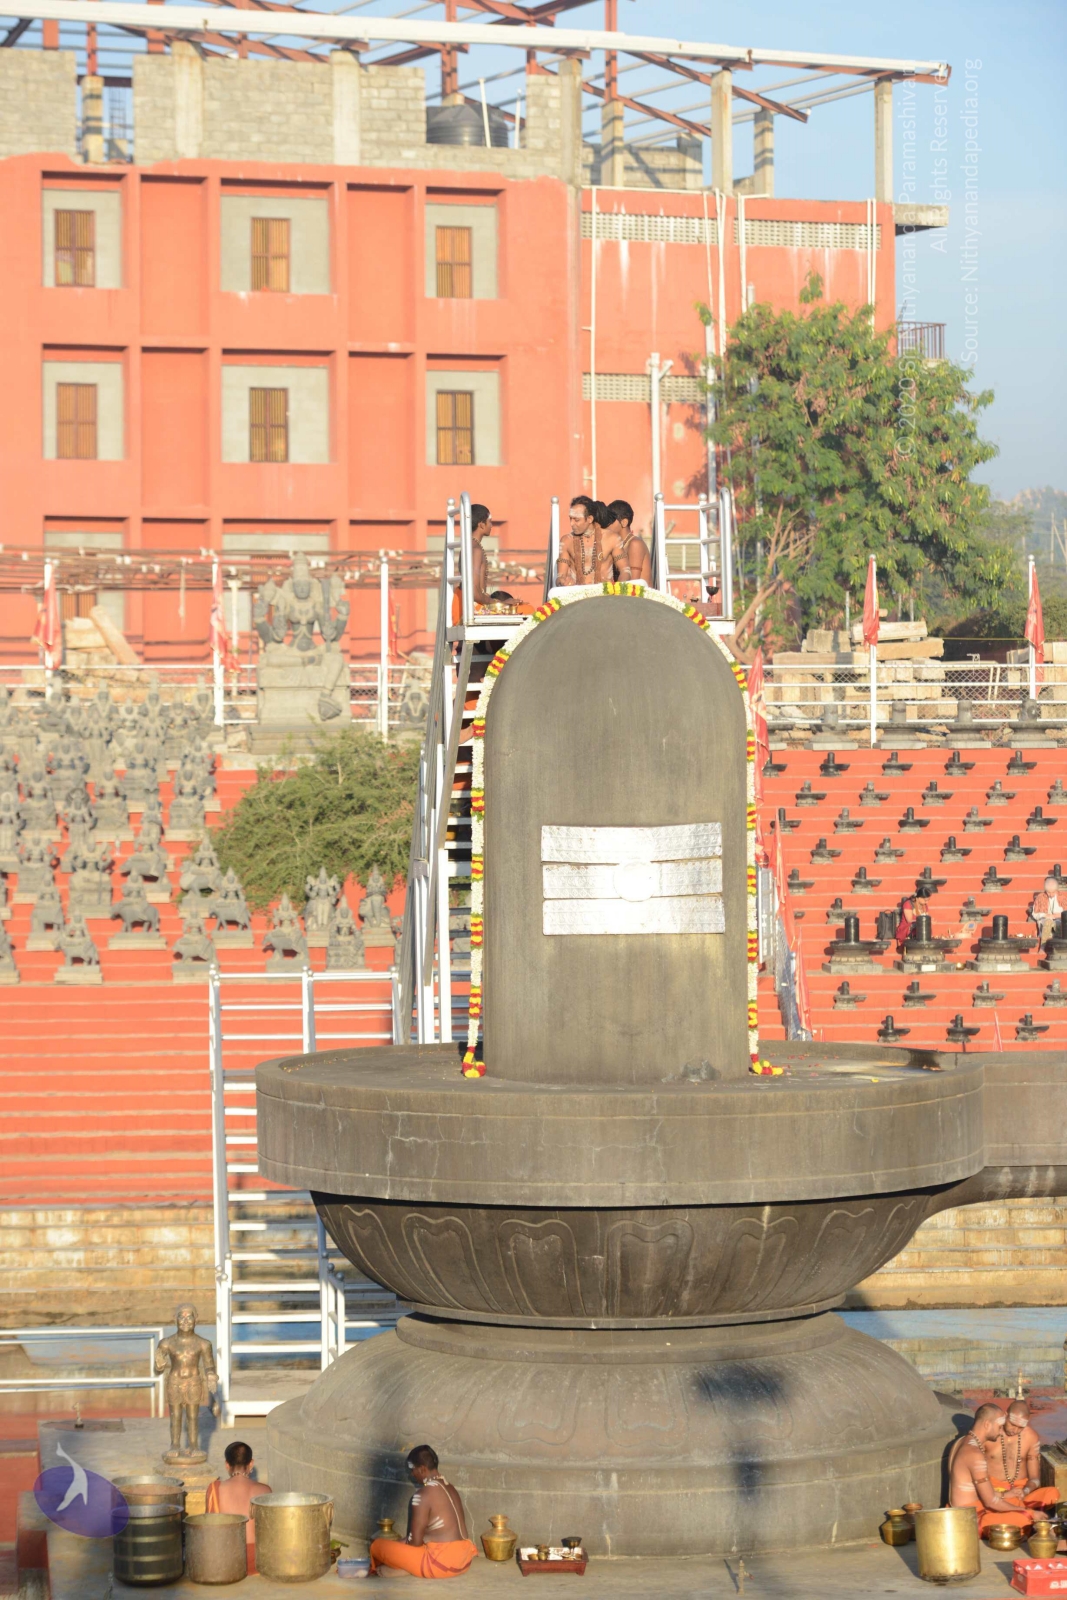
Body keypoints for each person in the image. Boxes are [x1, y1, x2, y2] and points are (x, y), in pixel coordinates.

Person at [369, 1445, 477, 1579]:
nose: (412, 1474)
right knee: (409, 1545)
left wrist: (394, 1546)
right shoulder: (451, 1488)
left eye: (412, 1469)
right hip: (464, 1560)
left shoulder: (422, 1495)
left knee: (377, 1546)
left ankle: (408, 1568)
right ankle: (410, 1568)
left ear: (422, 1469)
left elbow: (414, 1543)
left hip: (442, 1564)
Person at [947, 1403, 1051, 1534]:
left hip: (975, 1508)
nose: (1001, 1431)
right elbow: (990, 1502)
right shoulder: (974, 1454)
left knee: (1024, 1505)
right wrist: (1029, 1512)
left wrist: (1007, 1495)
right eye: (999, 1426)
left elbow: (983, 1494)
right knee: (1024, 1520)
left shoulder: (962, 1442)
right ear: (987, 1424)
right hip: (969, 1518)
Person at [982, 1400, 1059, 1524]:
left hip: (1021, 1494)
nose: (1015, 1430)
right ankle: (1024, 1516)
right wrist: (1002, 1494)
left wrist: (1025, 1491)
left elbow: (1035, 1479)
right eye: (1012, 1424)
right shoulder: (991, 1434)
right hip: (995, 1494)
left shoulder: (1031, 1437)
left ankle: (1019, 1514)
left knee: (1052, 1493)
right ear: (1006, 1415)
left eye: (1020, 1427)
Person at [205, 1441, 272, 1574]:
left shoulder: (214, 1488)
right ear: (251, 1464)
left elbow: (208, 1530)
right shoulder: (265, 1490)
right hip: (259, 1561)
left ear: (227, 1465)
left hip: (227, 1561)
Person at [557, 497, 630, 587]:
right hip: (576, 593)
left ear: (589, 519)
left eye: (576, 520)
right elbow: (560, 577)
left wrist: (618, 587)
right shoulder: (566, 541)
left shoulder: (612, 538)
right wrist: (563, 581)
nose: (571, 524)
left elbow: (625, 571)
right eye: (570, 519)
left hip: (605, 593)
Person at [607, 499, 652, 584]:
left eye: (610, 521)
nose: (607, 524)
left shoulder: (635, 544)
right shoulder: (617, 545)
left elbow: (632, 584)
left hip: (636, 592)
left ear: (624, 522)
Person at [1031, 876, 1064, 945]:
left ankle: (1058, 944)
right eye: (1049, 892)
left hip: (1058, 920)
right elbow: (1035, 914)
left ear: (1056, 890)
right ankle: (1043, 945)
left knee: (1058, 924)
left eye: (1053, 892)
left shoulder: (1062, 898)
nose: (1051, 895)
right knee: (1048, 922)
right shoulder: (1040, 897)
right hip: (1044, 920)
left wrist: (1059, 915)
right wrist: (1044, 915)